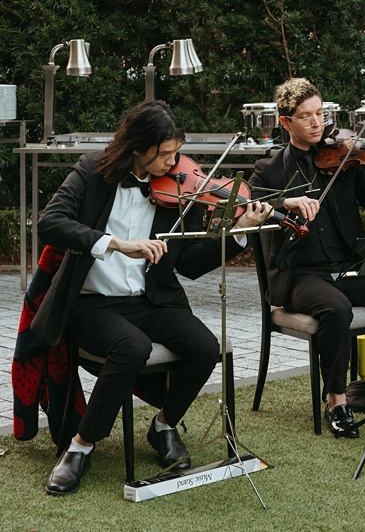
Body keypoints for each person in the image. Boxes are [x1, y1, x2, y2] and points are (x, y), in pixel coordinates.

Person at [35, 100, 272, 495]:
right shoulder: (91, 171)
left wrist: (238, 232)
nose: (174, 162)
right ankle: (80, 447)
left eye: (177, 152)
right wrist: (115, 244)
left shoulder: (178, 187)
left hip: (150, 300)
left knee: (204, 346)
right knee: (132, 347)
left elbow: (191, 264)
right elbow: (50, 223)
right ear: (137, 147)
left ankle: (163, 425)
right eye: (164, 154)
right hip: (91, 301)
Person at [250, 78, 365, 438]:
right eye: (306, 117)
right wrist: (285, 202)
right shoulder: (271, 170)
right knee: (336, 310)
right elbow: (249, 203)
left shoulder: (347, 159)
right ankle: (336, 400)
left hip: (349, 265)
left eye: (320, 113)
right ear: (286, 123)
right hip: (301, 275)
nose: (317, 123)